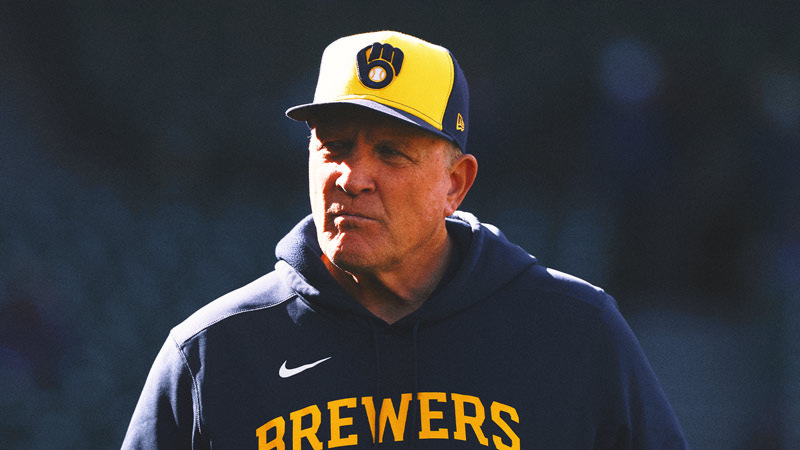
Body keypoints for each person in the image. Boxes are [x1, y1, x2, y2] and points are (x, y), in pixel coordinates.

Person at [122, 31, 689, 449]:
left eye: (391, 152)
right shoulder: (212, 354)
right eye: (334, 146)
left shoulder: (575, 334)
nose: (352, 177)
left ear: (455, 184)